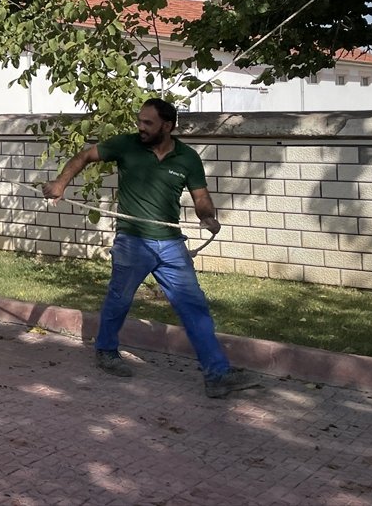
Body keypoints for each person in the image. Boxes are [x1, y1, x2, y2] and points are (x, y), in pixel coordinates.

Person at [43, 98, 259, 399]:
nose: (140, 127)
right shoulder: (126, 145)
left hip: (171, 245)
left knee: (193, 306)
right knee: (119, 300)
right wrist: (60, 184)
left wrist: (208, 216)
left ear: (167, 126)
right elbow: (84, 156)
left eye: (148, 123)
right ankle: (105, 351)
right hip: (132, 241)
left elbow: (200, 197)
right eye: (139, 121)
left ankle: (217, 374)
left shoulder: (187, 158)